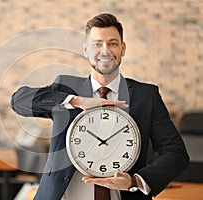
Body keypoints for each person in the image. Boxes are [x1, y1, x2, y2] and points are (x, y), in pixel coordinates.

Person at [10, 13, 189, 200]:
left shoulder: (146, 96)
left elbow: (176, 154)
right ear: (86, 50)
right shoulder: (66, 88)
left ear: (123, 48)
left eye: (112, 43)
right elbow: (18, 101)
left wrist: (135, 181)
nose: (105, 51)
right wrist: (77, 101)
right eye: (97, 44)